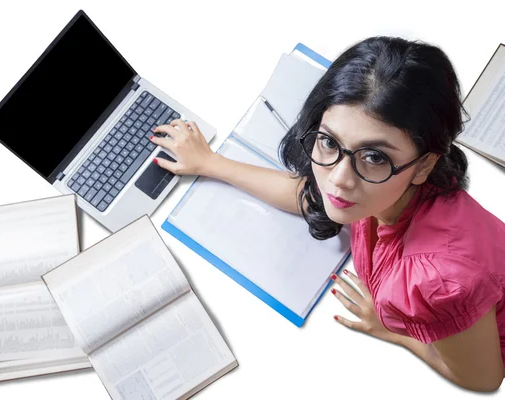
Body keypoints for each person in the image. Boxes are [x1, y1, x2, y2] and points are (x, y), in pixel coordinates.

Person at [149, 36, 505, 392]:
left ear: (425, 164)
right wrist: (211, 163)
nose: (337, 180)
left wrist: (392, 332)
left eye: (375, 157)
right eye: (329, 142)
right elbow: (306, 195)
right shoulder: (388, 188)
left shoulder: (437, 281)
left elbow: (483, 379)